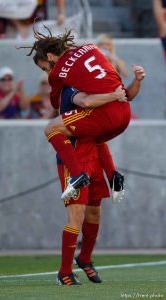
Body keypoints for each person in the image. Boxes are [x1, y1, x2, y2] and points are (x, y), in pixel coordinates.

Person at [20, 27, 145, 200]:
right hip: (124, 115)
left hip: (106, 115)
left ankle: (77, 175)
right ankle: (114, 176)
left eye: (45, 68)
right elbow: (126, 94)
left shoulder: (57, 73)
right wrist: (134, 82)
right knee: (94, 138)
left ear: (49, 56)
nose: (48, 72)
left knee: (51, 128)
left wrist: (62, 88)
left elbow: (58, 103)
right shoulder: (91, 48)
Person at [56, 85, 124, 285]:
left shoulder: (92, 91)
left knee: (95, 213)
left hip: (94, 157)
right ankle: (64, 273)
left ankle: (84, 258)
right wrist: (112, 96)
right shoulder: (68, 92)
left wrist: (111, 170)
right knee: (76, 215)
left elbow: (100, 138)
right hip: (75, 161)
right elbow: (82, 102)